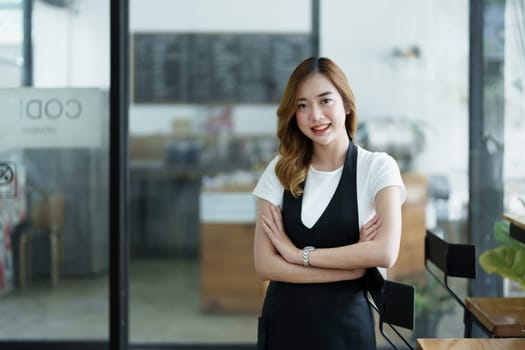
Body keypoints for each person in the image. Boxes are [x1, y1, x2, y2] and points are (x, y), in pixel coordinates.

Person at [252, 56, 407, 349]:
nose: (315, 115)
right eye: (302, 105)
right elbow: (266, 265)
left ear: (346, 105)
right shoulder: (278, 171)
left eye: (325, 101)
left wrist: (297, 255)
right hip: (284, 327)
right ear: (293, 114)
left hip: (346, 332)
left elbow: (385, 252)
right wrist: (352, 266)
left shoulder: (377, 168)